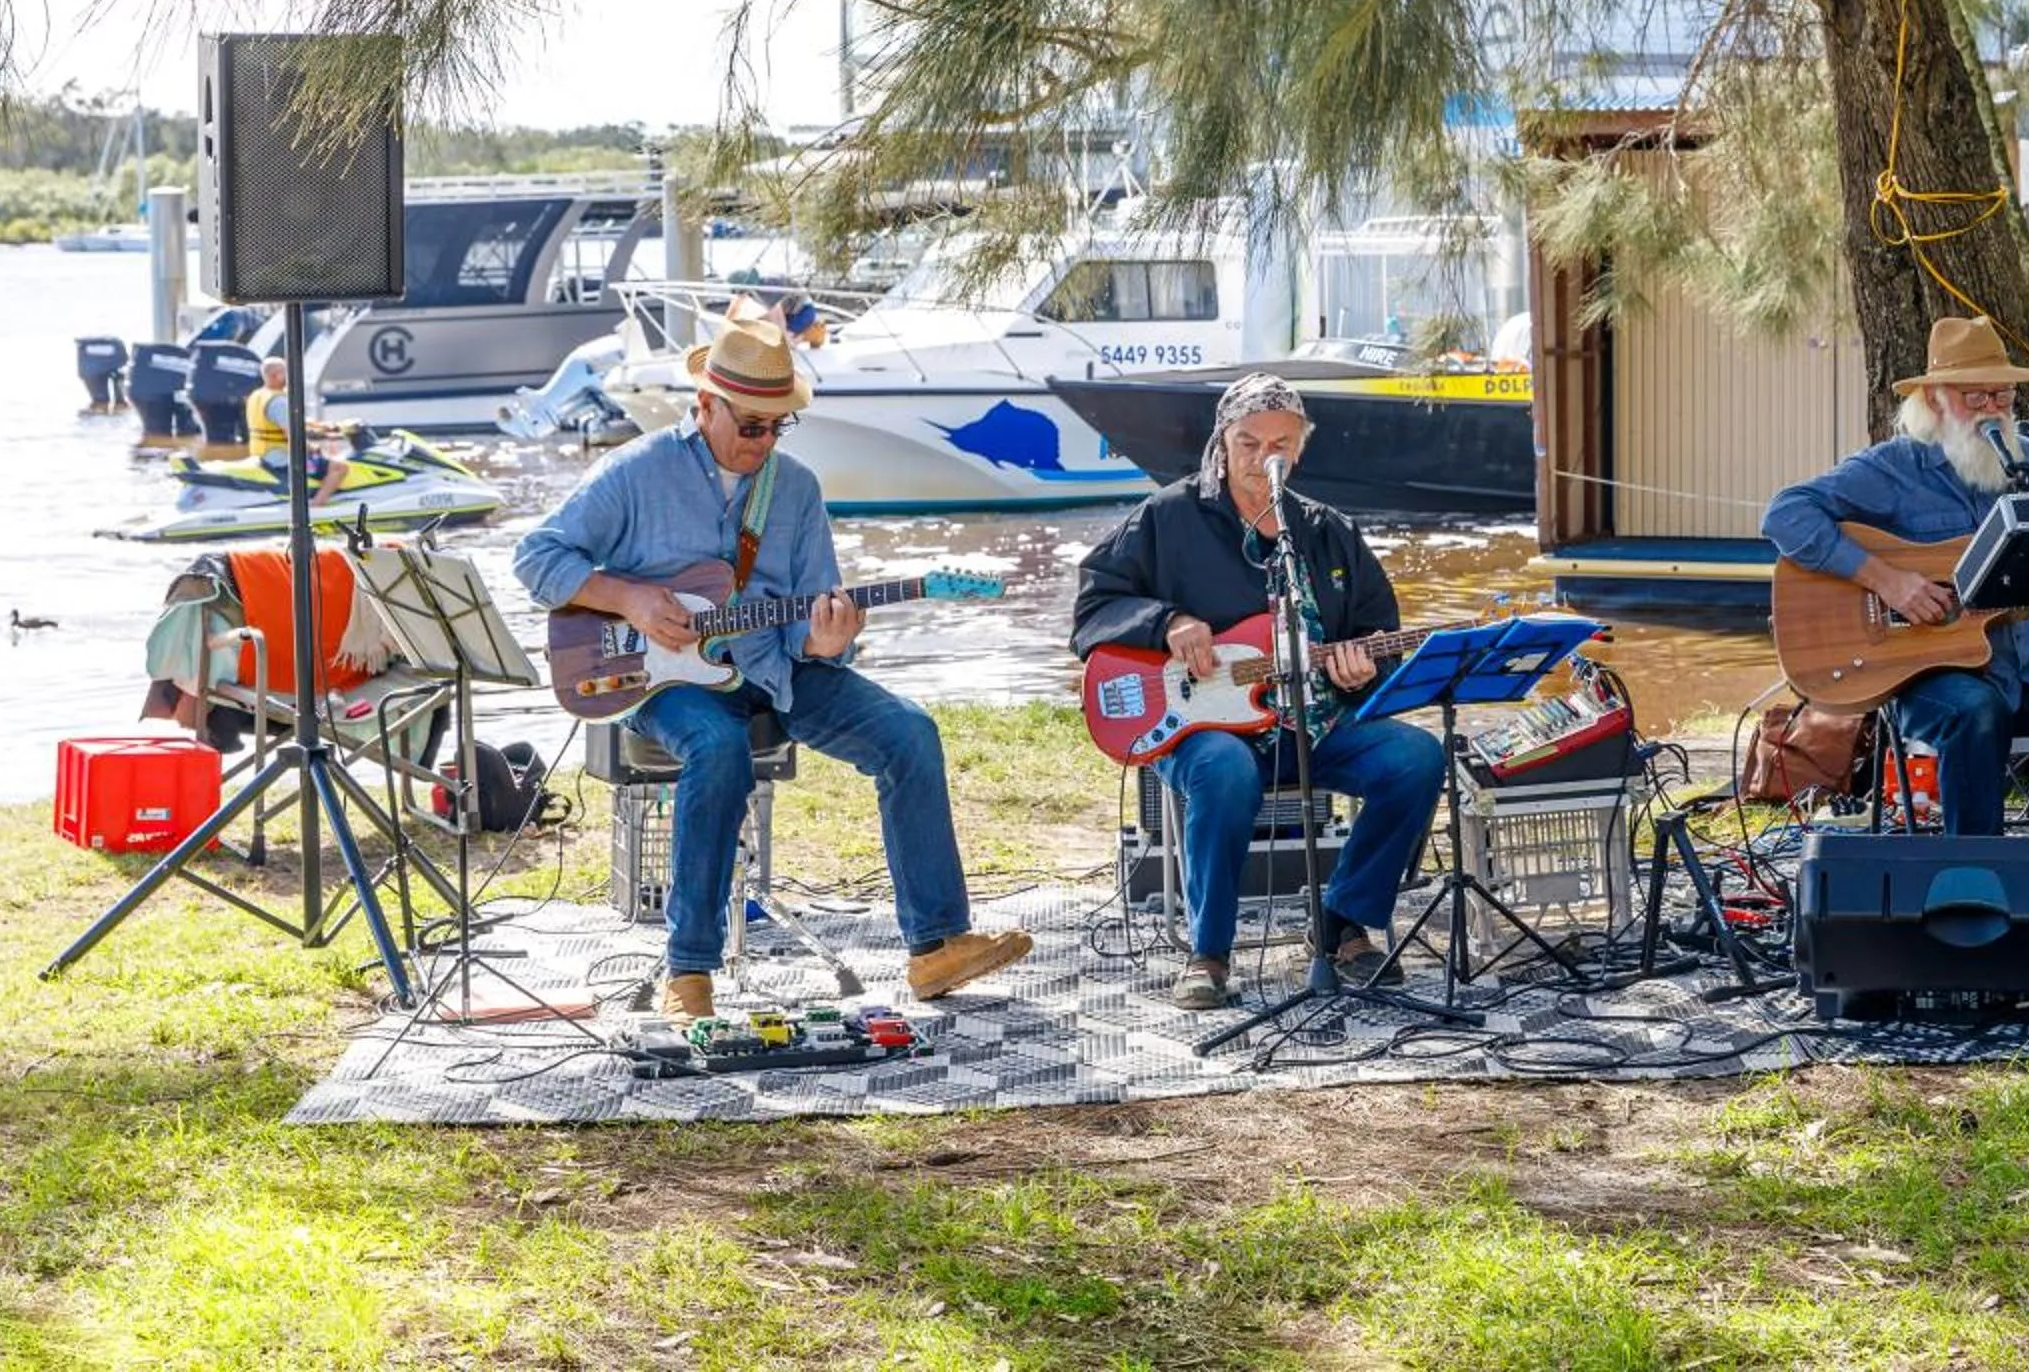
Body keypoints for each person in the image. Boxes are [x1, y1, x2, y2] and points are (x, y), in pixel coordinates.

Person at [514, 320, 1027, 1017]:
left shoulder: (798, 489)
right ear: (703, 408)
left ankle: (936, 946)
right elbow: (535, 559)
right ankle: (688, 972)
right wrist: (628, 598)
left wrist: (825, 644)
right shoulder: (635, 472)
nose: (762, 442)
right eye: (750, 425)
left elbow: (815, 611)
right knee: (719, 747)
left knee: (908, 732)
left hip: (777, 667)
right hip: (660, 681)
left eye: (776, 428)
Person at [1072, 373, 1447, 1011]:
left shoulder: (1328, 532)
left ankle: (1341, 922)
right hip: (1202, 728)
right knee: (1221, 769)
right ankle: (1208, 952)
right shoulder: (1168, 516)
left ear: (1299, 449)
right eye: (1248, 442)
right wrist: (1168, 623)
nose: (1263, 458)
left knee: (1416, 758)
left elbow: (1376, 634)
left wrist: (1360, 667)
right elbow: (1093, 607)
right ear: (1222, 440)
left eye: (1281, 444)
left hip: (1316, 725)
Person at [1763, 316, 2029, 837]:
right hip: (1933, 678)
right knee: (1976, 711)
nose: (1991, 411)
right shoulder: (1895, 469)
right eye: (1974, 397)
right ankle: (1975, 874)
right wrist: (1888, 581)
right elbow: (1784, 513)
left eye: (2001, 396)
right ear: (1935, 400)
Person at [246, 358, 343, 508]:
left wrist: (322, 427)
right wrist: (311, 448)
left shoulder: (259, 395)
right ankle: (317, 506)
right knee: (339, 467)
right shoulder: (279, 402)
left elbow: (294, 419)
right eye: (285, 373)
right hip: (280, 457)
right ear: (274, 376)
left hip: (262, 453)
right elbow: (294, 436)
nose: (289, 376)